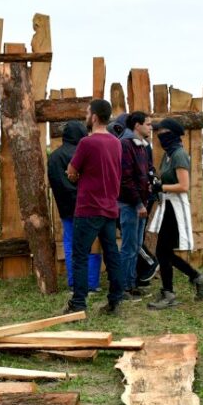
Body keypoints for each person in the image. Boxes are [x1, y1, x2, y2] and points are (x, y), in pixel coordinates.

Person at [62, 99, 125, 315]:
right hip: (109, 207)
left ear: (95, 117)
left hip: (88, 208)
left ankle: (78, 303)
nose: (86, 116)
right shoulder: (116, 142)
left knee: (80, 255)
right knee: (111, 253)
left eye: (88, 112)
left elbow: (71, 170)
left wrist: (75, 176)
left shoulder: (87, 143)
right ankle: (115, 301)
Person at [144, 118, 203, 309]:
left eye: (163, 132)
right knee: (164, 252)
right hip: (167, 206)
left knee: (162, 251)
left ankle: (171, 293)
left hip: (175, 208)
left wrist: (161, 186)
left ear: (173, 133)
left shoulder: (179, 155)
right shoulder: (168, 155)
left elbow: (184, 186)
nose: (159, 135)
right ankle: (197, 278)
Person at [47, 120, 102, 292]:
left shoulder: (54, 157)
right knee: (91, 244)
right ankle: (91, 283)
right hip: (87, 206)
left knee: (71, 245)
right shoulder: (83, 153)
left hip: (65, 208)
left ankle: (74, 283)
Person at [117, 112, 156, 299]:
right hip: (130, 204)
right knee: (129, 247)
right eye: (147, 124)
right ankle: (124, 288)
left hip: (140, 204)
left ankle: (132, 285)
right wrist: (139, 203)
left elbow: (145, 173)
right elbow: (126, 179)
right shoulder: (126, 145)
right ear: (137, 126)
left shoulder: (141, 146)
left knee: (136, 246)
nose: (150, 127)